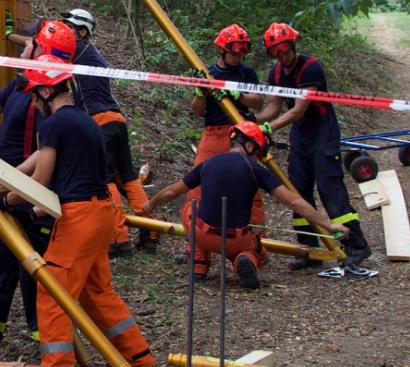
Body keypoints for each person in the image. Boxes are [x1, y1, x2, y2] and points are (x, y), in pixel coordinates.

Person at [8, 63, 156, 367]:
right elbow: (50, 165)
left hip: (78, 219)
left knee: (53, 293)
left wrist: (7, 199)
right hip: (103, 212)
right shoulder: (86, 121)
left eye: (34, 97)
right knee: (96, 290)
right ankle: (139, 356)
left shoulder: (53, 124)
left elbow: (40, 178)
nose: (34, 104)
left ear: (47, 91)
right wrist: (10, 177)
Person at [0, 22, 77, 359]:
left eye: (28, 45)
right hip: (6, 192)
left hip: (31, 199)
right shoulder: (20, 85)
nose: (22, 51)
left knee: (36, 276)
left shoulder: (48, 102)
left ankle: (50, 349)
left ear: (43, 52)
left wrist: (24, 200)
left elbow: (44, 157)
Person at [145, 122, 348, 290]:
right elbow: (294, 201)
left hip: (203, 234)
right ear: (250, 146)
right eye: (257, 153)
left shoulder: (208, 163)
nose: (257, 157)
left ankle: (199, 265)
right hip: (235, 240)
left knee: (190, 210)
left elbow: (172, 192)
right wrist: (328, 225)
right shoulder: (256, 170)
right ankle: (246, 259)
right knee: (255, 248)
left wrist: (150, 204)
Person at [257, 22, 374, 270]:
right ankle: (308, 248)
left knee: (329, 185)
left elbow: (298, 110)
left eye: (284, 50)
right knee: (298, 188)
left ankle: (356, 244)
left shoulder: (310, 68)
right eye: (275, 53)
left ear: (292, 46)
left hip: (323, 130)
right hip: (300, 133)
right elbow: (273, 108)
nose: (281, 57)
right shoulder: (275, 73)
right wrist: (251, 121)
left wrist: (268, 129)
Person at [61, 8, 154, 255]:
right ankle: (150, 233)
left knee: (106, 179)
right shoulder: (91, 54)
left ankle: (118, 238)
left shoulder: (77, 49)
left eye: (69, 28)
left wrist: (13, 35)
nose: (64, 33)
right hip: (115, 120)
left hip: (99, 121)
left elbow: (45, 49)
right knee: (128, 178)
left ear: (82, 32)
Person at [186, 24, 266, 228]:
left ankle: (254, 239)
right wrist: (200, 92)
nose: (239, 56)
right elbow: (198, 111)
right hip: (213, 134)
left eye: (242, 52)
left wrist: (238, 95)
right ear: (222, 50)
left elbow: (258, 102)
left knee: (249, 184)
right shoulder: (209, 75)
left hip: (241, 135)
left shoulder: (247, 74)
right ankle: (196, 238)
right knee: (197, 185)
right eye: (234, 52)